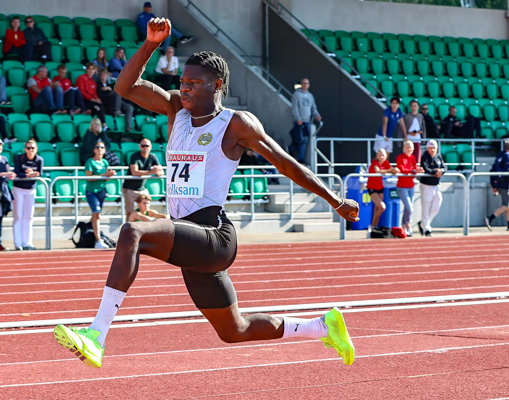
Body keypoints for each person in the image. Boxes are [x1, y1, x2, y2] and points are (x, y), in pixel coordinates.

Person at [53, 18, 359, 369]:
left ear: (217, 85)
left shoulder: (236, 124)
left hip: (213, 235)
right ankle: (322, 327)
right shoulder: (175, 109)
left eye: (194, 83)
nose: (184, 89)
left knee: (132, 231)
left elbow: (286, 164)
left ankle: (96, 335)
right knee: (234, 330)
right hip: (188, 234)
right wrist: (151, 43)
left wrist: (335, 200)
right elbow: (125, 87)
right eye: (183, 82)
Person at [85, 141, 116, 249]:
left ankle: (89, 232)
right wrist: (105, 174)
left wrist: (110, 175)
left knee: (96, 215)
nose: (99, 149)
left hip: (101, 191)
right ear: (94, 150)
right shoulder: (90, 161)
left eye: (101, 147)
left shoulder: (105, 162)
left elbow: (106, 179)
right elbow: (89, 177)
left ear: (104, 150)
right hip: (92, 191)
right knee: (97, 214)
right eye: (97, 147)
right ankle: (98, 240)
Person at [13, 139, 43, 250]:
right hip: (18, 188)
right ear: (25, 149)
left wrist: (35, 173)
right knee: (18, 216)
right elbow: (17, 172)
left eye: (33, 148)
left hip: (31, 189)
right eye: (28, 148)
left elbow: (40, 173)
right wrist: (27, 175)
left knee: (29, 216)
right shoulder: (20, 157)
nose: (31, 150)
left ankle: (27, 242)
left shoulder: (39, 159)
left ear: (36, 149)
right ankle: (18, 243)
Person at [121, 138, 162, 218]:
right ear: (140, 147)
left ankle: (147, 225)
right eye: (143, 146)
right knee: (129, 212)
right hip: (129, 189)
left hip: (142, 188)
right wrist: (151, 172)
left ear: (150, 147)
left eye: (147, 146)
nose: (145, 147)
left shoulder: (152, 156)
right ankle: (129, 226)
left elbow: (161, 171)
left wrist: (158, 172)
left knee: (146, 210)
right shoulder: (134, 156)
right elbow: (134, 172)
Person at [418, 139, 446, 237]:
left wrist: (441, 171)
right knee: (426, 207)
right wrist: (435, 172)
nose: (433, 149)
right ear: (427, 148)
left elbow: (444, 167)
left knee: (436, 207)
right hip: (426, 185)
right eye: (430, 148)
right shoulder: (424, 157)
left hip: (436, 185)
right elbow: (425, 168)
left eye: (434, 147)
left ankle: (424, 224)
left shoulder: (438, 156)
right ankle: (427, 229)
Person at [366, 148, 397, 236]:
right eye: (380, 155)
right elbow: (378, 171)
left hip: (380, 187)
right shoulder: (374, 162)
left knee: (378, 208)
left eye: (383, 155)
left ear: (386, 156)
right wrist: (390, 170)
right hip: (371, 187)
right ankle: (372, 226)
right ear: (377, 155)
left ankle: (374, 227)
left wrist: (395, 170)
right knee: (382, 206)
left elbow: (391, 169)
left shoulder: (386, 163)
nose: (381, 157)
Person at [396, 140, 423, 237]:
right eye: (407, 147)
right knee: (409, 208)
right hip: (402, 186)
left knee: (408, 208)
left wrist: (419, 169)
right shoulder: (400, 157)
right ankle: (408, 225)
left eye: (410, 147)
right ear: (404, 148)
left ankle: (404, 226)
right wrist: (413, 171)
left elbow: (414, 168)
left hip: (411, 185)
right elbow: (402, 169)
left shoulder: (412, 157)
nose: (409, 149)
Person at [291, 78, 321, 164]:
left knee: (304, 140)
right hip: (299, 121)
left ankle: (299, 157)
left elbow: (313, 107)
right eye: (303, 83)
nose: (305, 85)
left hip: (307, 121)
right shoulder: (297, 94)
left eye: (306, 83)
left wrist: (317, 115)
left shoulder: (310, 96)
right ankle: (295, 154)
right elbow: (294, 107)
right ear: (301, 84)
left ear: (309, 85)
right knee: (300, 139)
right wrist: (298, 118)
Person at [484, 140, 509, 231]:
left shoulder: (500, 155)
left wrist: (494, 185)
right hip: (506, 184)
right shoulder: (507, 157)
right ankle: (490, 218)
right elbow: (507, 170)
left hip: (499, 183)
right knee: (506, 205)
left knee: (506, 205)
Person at [76, 63, 107, 129]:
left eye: (92, 69)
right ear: (86, 69)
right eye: (89, 69)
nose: (91, 71)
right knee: (99, 106)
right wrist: (92, 99)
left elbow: (94, 94)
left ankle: (98, 125)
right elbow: (81, 92)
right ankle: (104, 125)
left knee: (100, 104)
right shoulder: (81, 78)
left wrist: (97, 99)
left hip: (91, 101)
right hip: (84, 100)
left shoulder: (93, 82)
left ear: (95, 70)